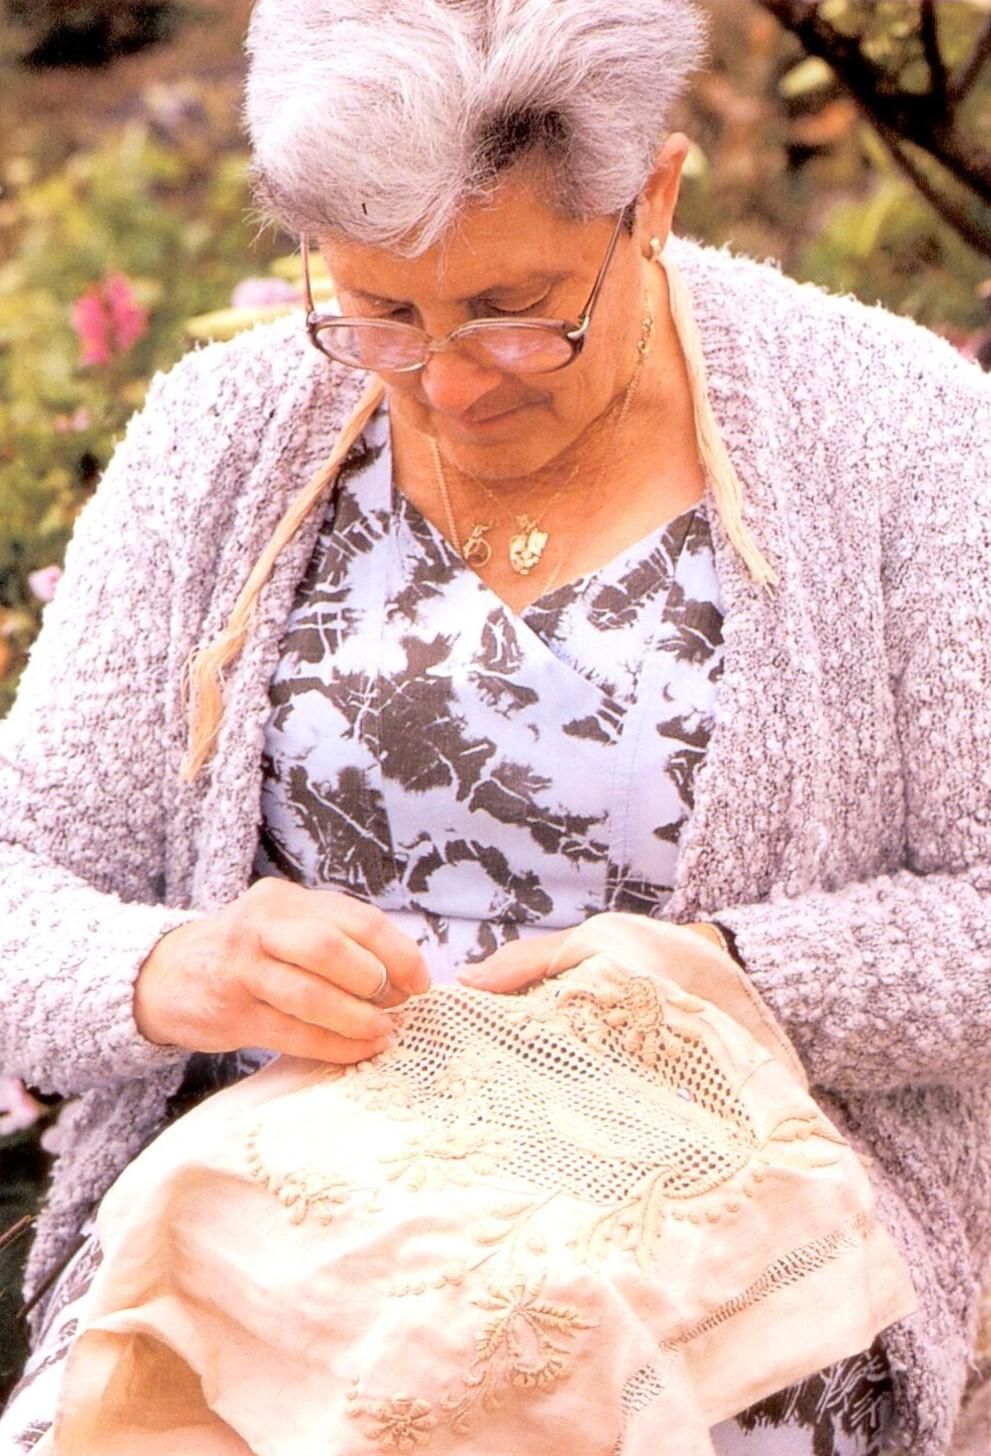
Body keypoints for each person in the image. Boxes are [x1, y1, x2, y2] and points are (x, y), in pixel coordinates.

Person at [0, 0, 987, 1452]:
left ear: (649, 197)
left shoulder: (902, 440)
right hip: (283, 1214)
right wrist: (176, 969)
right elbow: (21, 875)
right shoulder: (225, 435)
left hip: (712, 1227)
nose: (451, 384)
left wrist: (730, 977)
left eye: (517, 313)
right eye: (384, 313)